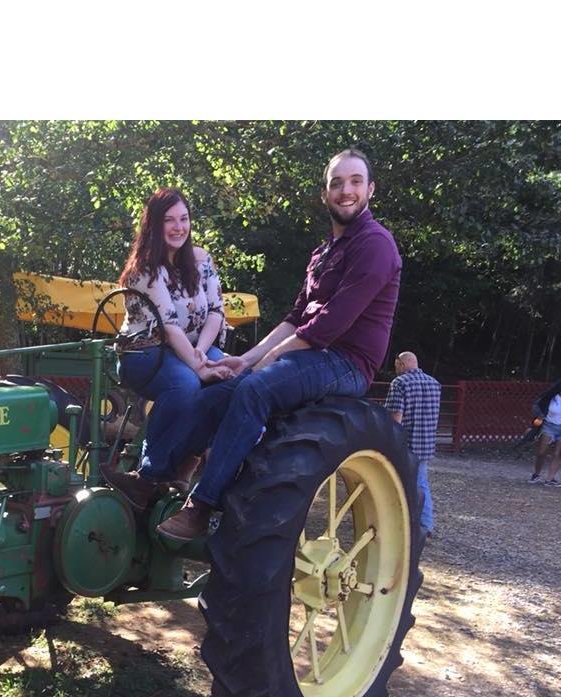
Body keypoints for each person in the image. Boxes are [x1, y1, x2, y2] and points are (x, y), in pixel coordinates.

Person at [108, 148, 402, 541]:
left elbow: (328, 326)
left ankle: (202, 507)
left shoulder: (375, 245)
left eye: (355, 182)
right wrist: (243, 360)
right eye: (336, 183)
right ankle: (153, 479)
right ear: (325, 193)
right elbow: (295, 319)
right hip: (313, 352)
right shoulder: (324, 252)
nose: (345, 190)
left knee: (254, 389)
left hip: (345, 361)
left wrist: (263, 363)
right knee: (217, 390)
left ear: (370, 189)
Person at [111, 188, 232, 492]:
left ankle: (188, 462)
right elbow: (169, 326)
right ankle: (149, 476)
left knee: (235, 379)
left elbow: (216, 311)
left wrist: (200, 353)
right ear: (154, 224)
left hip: (190, 348)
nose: (179, 227)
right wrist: (198, 367)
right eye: (169, 220)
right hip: (145, 352)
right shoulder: (146, 269)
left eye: (184, 219)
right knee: (185, 384)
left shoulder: (201, 259)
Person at [385, 351, 441, 537]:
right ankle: (426, 523)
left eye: (396, 366)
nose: (395, 369)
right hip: (426, 442)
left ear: (401, 364)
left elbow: (396, 418)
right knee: (421, 481)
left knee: (399, 482)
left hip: (406, 443)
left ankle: (413, 524)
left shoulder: (400, 383)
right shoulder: (434, 383)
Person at [529, 376, 561, 486]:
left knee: (558, 453)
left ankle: (550, 478)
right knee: (541, 452)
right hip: (549, 425)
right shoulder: (551, 397)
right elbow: (538, 406)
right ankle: (536, 474)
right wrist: (538, 418)